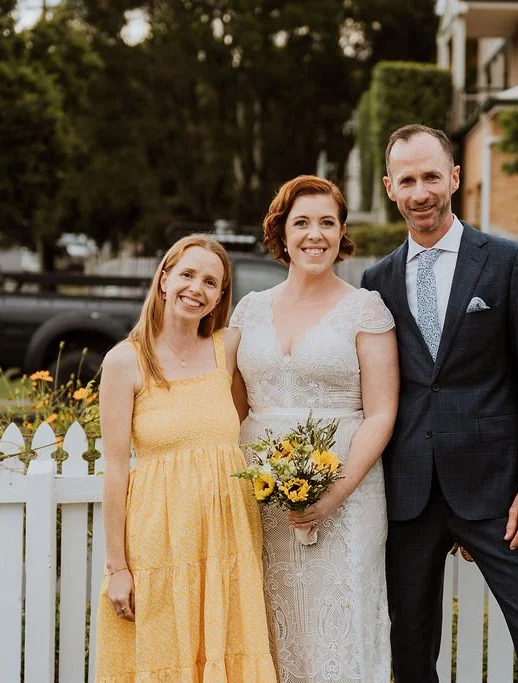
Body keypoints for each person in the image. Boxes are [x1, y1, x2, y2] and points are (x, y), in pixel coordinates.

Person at [361, 124, 518, 682]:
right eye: (407, 179)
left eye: (432, 176)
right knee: (409, 647)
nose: (421, 192)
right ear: (389, 187)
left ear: (455, 177)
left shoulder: (508, 262)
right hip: (408, 494)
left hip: (496, 490)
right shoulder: (376, 281)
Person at [230, 175, 399, 682]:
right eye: (301, 222)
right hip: (259, 497)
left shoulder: (365, 309)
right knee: (267, 622)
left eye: (327, 222)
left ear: (342, 232)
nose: (314, 234)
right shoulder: (249, 308)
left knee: (341, 629)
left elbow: (382, 413)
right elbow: (230, 407)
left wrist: (333, 494)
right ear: (281, 232)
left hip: (347, 494)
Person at [95, 235, 277, 682]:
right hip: (160, 537)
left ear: (219, 298)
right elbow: (116, 469)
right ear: (164, 280)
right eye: (188, 274)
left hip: (227, 535)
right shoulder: (125, 362)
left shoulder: (228, 349)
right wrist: (118, 568)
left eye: (211, 282)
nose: (196, 287)